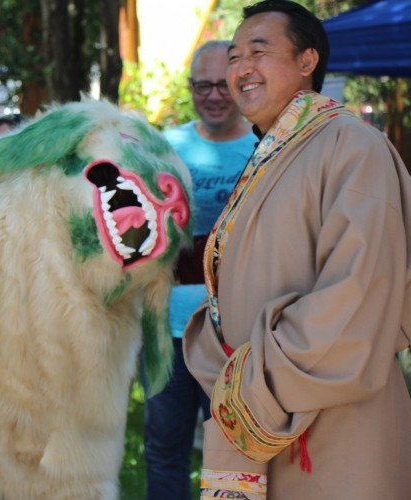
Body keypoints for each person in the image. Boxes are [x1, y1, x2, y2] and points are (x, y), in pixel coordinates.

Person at [182, 1, 411, 498]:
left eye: (258, 52)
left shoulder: (353, 145)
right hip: (269, 405)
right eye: (235, 56)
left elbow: (360, 292)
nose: (241, 69)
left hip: (333, 416)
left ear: (307, 61)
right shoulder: (274, 152)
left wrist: (256, 386)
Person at [142, 40, 256, 500]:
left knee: (234, 449)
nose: (212, 95)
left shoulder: (264, 145)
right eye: (201, 85)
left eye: (221, 84)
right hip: (165, 328)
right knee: (164, 448)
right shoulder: (163, 147)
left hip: (236, 331)